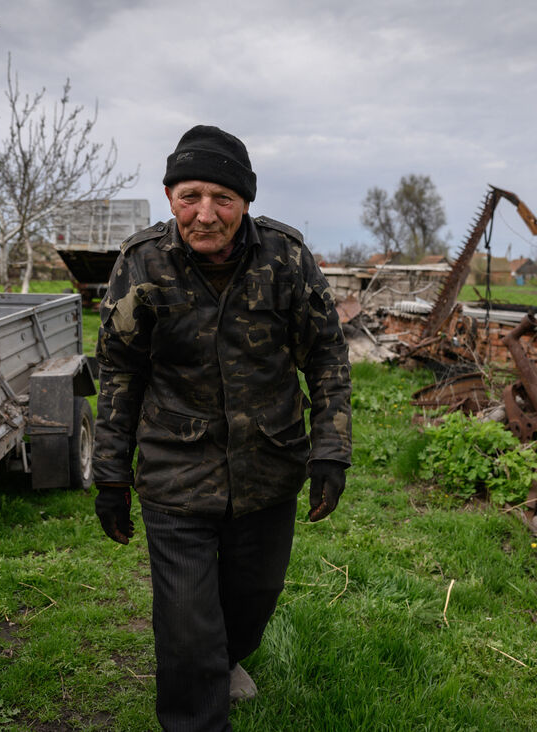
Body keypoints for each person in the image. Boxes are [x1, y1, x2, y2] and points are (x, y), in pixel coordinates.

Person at [92, 124, 352, 731]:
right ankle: (198, 701)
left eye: (223, 199)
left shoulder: (286, 258)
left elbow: (327, 357)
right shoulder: (142, 264)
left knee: (250, 603)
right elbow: (119, 370)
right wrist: (109, 474)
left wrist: (331, 451)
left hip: (268, 464)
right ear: (169, 196)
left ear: (245, 202)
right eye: (190, 197)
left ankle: (226, 657)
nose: (205, 214)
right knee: (187, 627)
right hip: (174, 470)